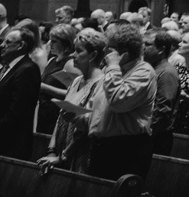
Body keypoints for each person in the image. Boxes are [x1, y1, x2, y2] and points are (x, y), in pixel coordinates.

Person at [87, 23, 157, 181]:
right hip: (103, 147)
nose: (105, 53)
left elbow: (118, 102)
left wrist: (112, 67)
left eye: (110, 48)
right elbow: (99, 105)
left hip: (127, 149)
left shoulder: (143, 72)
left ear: (124, 53)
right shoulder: (111, 70)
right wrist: (83, 119)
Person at [37, 28, 106, 174]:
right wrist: (52, 150)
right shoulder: (76, 80)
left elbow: (86, 129)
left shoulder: (101, 83)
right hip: (61, 150)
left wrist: (63, 157)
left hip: (81, 154)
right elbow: (61, 117)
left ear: (93, 55)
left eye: (79, 51)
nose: (73, 55)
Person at [0, 27, 40, 159]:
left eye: (8, 42)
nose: (2, 45)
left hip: (7, 146)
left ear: (20, 45)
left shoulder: (27, 69)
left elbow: (16, 112)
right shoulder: (5, 68)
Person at [38, 23, 80, 134]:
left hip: (57, 115)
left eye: (54, 41)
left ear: (66, 43)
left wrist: (45, 88)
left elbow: (76, 95)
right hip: (44, 113)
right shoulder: (52, 60)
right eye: (50, 40)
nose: (49, 44)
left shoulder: (70, 64)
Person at [143, 29, 180, 155]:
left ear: (161, 49)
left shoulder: (166, 72)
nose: (143, 48)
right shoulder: (153, 68)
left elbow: (163, 110)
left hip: (157, 138)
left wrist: (144, 131)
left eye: (147, 45)